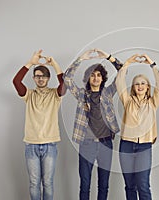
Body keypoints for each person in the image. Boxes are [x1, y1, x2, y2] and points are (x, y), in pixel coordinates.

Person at [63, 49, 122, 200]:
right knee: (85, 184)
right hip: (87, 144)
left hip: (106, 144)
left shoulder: (108, 93)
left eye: (98, 75)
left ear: (103, 78)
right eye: (92, 75)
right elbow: (67, 79)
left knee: (103, 184)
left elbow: (123, 73)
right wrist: (80, 59)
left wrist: (109, 58)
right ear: (88, 78)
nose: (95, 78)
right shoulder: (82, 94)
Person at [12, 49, 66, 200]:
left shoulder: (55, 95)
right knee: (34, 182)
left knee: (48, 182)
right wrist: (31, 63)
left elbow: (64, 83)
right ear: (34, 79)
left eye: (43, 76)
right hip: (31, 145)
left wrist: (54, 64)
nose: (40, 79)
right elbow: (16, 82)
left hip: (50, 145)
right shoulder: (28, 95)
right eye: (37, 76)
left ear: (48, 78)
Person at [116, 54, 159, 200]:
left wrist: (151, 63)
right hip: (126, 146)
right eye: (137, 84)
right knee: (130, 185)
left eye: (143, 83)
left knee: (143, 184)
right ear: (133, 87)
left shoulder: (153, 102)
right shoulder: (127, 101)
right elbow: (119, 82)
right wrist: (128, 62)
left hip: (144, 146)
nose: (140, 86)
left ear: (148, 87)